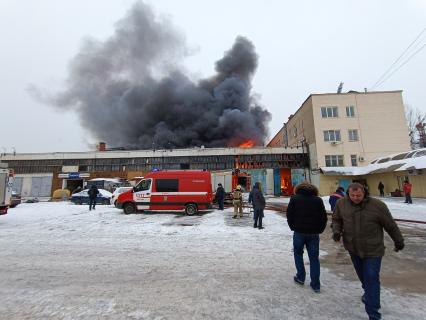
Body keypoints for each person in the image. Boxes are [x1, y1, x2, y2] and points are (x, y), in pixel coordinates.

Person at [332, 182, 404, 320]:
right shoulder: (342, 203)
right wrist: (336, 231)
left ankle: (373, 313)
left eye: (358, 195)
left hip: (373, 249)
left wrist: (398, 241)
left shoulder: (377, 205)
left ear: (364, 192)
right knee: (363, 277)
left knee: (371, 277)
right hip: (353, 248)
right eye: (352, 195)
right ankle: (368, 293)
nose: (355, 198)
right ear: (348, 193)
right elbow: (336, 219)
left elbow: (390, 225)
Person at [286, 182, 327, 293]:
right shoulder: (317, 200)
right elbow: (323, 217)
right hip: (313, 233)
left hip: (299, 232)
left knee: (298, 254)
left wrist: (293, 226)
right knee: (314, 258)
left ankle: (300, 277)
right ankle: (315, 284)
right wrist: (320, 229)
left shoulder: (295, 199)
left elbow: (289, 214)